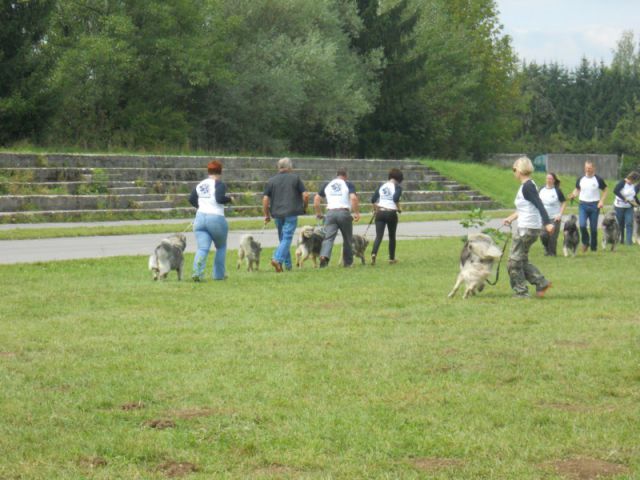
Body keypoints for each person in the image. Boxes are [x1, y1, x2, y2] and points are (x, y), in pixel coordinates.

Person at [503, 156, 554, 298]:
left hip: (527, 229)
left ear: (519, 170)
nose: (514, 172)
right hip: (528, 227)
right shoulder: (527, 185)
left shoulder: (528, 187)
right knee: (521, 260)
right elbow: (526, 208)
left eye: (514, 169)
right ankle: (541, 282)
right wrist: (511, 218)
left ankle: (521, 292)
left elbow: (539, 205)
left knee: (513, 262)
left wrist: (548, 223)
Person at [262, 157, 309, 272]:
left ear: (279, 167)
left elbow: (265, 199)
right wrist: (305, 207)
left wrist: (266, 215)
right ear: (289, 167)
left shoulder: (271, 181)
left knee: (283, 239)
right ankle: (277, 259)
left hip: (277, 213)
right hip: (291, 212)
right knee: (287, 238)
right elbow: (306, 195)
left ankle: (287, 266)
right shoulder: (295, 178)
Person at [189, 160, 232, 281]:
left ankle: (197, 273)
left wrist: (201, 207)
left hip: (200, 218)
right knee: (221, 247)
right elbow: (219, 198)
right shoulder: (219, 184)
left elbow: (191, 199)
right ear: (220, 172)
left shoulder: (200, 184)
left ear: (208, 172)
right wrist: (230, 199)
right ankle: (218, 275)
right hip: (215, 217)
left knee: (202, 248)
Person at [314, 167, 360, 267]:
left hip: (330, 213)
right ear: (346, 176)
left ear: (336, 175)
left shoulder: (327, 184)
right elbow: (353, 198)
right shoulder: (348, 184)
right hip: (344, 213)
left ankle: (324, 256)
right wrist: (356, 213)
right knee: (347, 239)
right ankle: (348, 263)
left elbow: (316, 199)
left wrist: (318, 213)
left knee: (328, 238)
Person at [568, 160, 608, 252]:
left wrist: (601, 201)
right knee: (582, 225)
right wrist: (573, 195)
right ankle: (585, 243)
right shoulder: (581, 179)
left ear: (593, 168)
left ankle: (593, 247)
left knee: (593, 229)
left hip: (595, 205)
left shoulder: (598, 179)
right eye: (586, 168)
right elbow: (577, 189)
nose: (588, 170)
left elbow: (605, 190)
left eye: (589, 168)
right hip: (583, 205)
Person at [370, 168, 404, 265]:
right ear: (399, 179)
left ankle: (373, 253)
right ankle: (391, 258)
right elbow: (395, 198)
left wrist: (375, 209)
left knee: (379, 236)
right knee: (392, 236)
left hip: (380, 212)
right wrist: (399, 208)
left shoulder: (382, 185)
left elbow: (373, 199)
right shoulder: (397, 187)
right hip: (391, 213)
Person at [538, 172, 566, 256]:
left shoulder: (557, 191)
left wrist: (560, 214)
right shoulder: (541, 189)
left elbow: (564, 202)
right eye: (547, 178)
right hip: (544, 217)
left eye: (550, 179)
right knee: (543, 235)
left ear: (554, 180)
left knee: (553, 237)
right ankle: (546, 248)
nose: (549, 180)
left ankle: (552, 253)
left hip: (555, 217)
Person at [613, 171, 640, 245]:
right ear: (632, 178)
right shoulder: (622, 183)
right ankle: (621, 239)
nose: (635, 182)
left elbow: (633, 196)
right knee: (620, 224)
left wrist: (638, 203)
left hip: (629, 207)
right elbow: (615, 191)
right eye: (635, 180)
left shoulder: (632, 185)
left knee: (629, 223)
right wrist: (624, 198)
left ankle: (629, 242)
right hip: (619, 207)